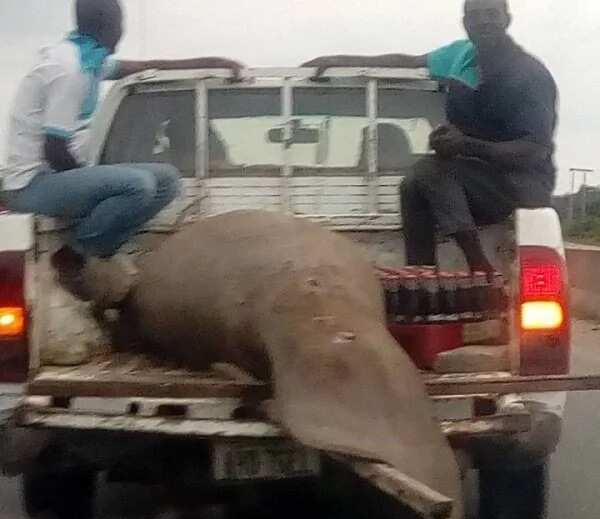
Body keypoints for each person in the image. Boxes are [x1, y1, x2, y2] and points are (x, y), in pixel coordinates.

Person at [3, 0, 243, 298]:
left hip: (54, 179)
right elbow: (54, 148)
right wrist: (93, 186)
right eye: (120, 22)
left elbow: (144, 66)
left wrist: (211, 61)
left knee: (167, 180)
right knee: (137, 185)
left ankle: (98, 250)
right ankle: (74, 256)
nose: (122, 30)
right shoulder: (69, 70)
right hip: (30, 185)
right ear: (107, 24)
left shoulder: (89, 59)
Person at [302, 0, 557, 279]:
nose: (483, 21)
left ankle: (480, 268)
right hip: (470, 179)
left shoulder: (529, 75)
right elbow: (407, 62)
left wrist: (466, 145)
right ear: (465, 22)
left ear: (507, 19)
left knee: (429, 171)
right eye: (475, 15)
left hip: (518, 184)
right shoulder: (460, 56)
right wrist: (341, 61)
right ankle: (421, 277)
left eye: (491, 14)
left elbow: (535, 149)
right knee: (412, 187)